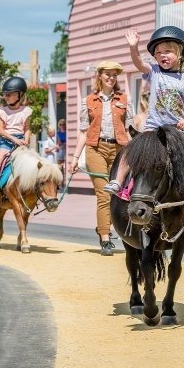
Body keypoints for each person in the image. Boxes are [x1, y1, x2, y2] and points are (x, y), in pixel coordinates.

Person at [104, 26, 184, 208]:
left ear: (180, 53)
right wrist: (133, 47)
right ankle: (118, 181)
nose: (162, 56)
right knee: (132, 149)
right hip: (154, 128)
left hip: (178, 130)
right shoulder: (155, 73)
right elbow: (138, 63)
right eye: (158, 53)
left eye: (167, 51)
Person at [68, 60, 134, 256]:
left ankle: (105, 226)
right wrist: (75, 158)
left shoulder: (124, 99)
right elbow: (83, 132)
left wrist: (136, 152)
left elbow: (129, 130)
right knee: (104, 194)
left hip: (119, 149)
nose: (111, 78)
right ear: (100, 76)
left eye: (114, 75)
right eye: (108, 74)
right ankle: (105, 237)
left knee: (118, 193)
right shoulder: (88, 101)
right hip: (95, 149)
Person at [0, 76, 32, 203]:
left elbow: (27, 128)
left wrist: (26, 140)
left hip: (21, 143)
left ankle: (33, 192)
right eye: (5, 94)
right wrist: (13, 139)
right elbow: (1, 130)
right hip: (6, 143)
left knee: (33, 165)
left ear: (19, 95)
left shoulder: (26, 111)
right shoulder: (2, 111)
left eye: (9, 94)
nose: (6, 97)